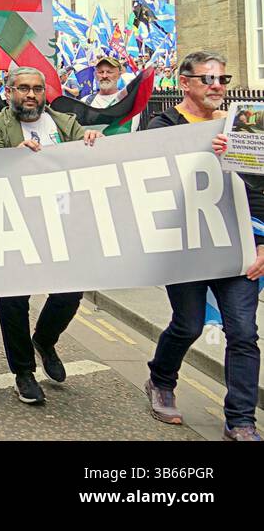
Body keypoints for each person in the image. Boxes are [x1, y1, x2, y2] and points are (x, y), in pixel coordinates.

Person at [145, 51, 263, 441]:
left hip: (238, 248)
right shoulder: (164, 125)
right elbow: (146, 182)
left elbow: (260, 190)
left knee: (243, 332)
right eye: (208, 80)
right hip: (188, 249)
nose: (217, 87)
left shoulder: (244, 126)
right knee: (188, 325)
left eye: (223, 80)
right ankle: (161, 379)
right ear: (185, 82)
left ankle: (241, 419)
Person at [0, 65, 100, 406]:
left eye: (36, 89)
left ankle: (45, 340)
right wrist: (13, 157)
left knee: (69, 294)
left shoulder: (65, 123)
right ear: (9, 92)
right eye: (23, 88)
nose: (30, 94)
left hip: (61, 224)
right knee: (14, 301)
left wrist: (94, 142)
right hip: (15, 225)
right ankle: (24, 372)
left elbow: (91, 155)